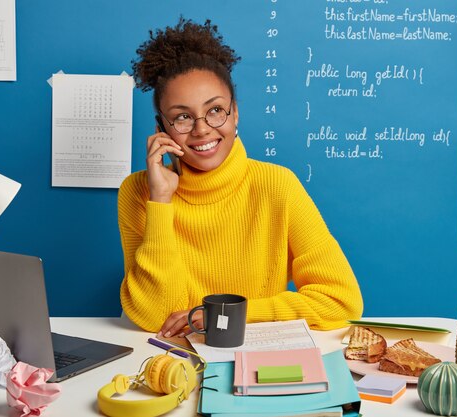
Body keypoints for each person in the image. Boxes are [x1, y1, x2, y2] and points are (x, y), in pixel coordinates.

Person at [119, 18, 363, 338]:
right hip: (174, 357)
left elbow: (341, 301)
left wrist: (232, 314)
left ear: (235, 113)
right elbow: (154, 317)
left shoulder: (277, 185)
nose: (202, 129)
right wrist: (161, 200)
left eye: (216, 110)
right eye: (182, 117)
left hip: (257, 356)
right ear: (161, 129)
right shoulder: (139, 192)